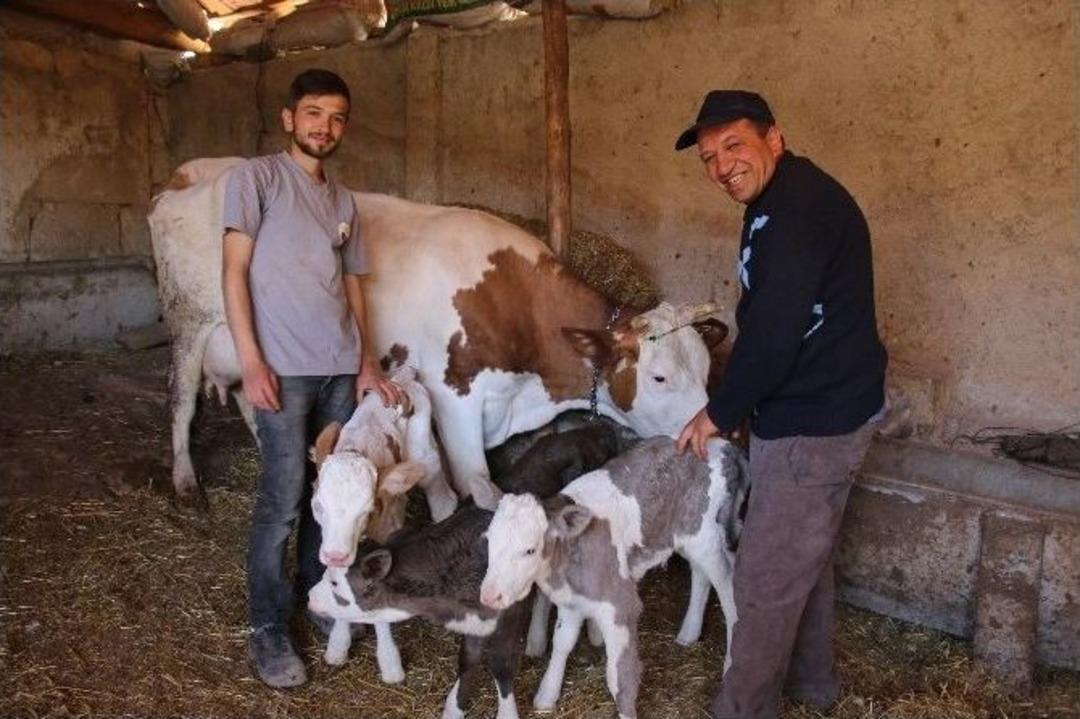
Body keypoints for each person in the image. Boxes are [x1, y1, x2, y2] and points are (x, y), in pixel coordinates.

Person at [674, 91, 887, 718]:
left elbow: (773, 333)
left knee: (765, 580)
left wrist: (718, 412)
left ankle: (742, 711)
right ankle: (812, 686)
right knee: (802, 555)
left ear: (775, 137)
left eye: (733, 145)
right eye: (710, 158)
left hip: (815, 420)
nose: (721, 167)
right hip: (821, 403)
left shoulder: (796, 211)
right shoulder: (779, 197)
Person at [222, 68, 401, 688]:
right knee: (282, 497)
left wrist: (368, 361)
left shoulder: (343, 201)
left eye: (338, 117)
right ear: (289, 118)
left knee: (329, 498)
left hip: (337, 371)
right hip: (281, 370)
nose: (326, 127)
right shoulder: (257, 179)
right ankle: (267, 627)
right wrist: (250, 360)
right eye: (315, 113)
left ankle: (315, 597)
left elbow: (353, 284)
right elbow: (234, 273)